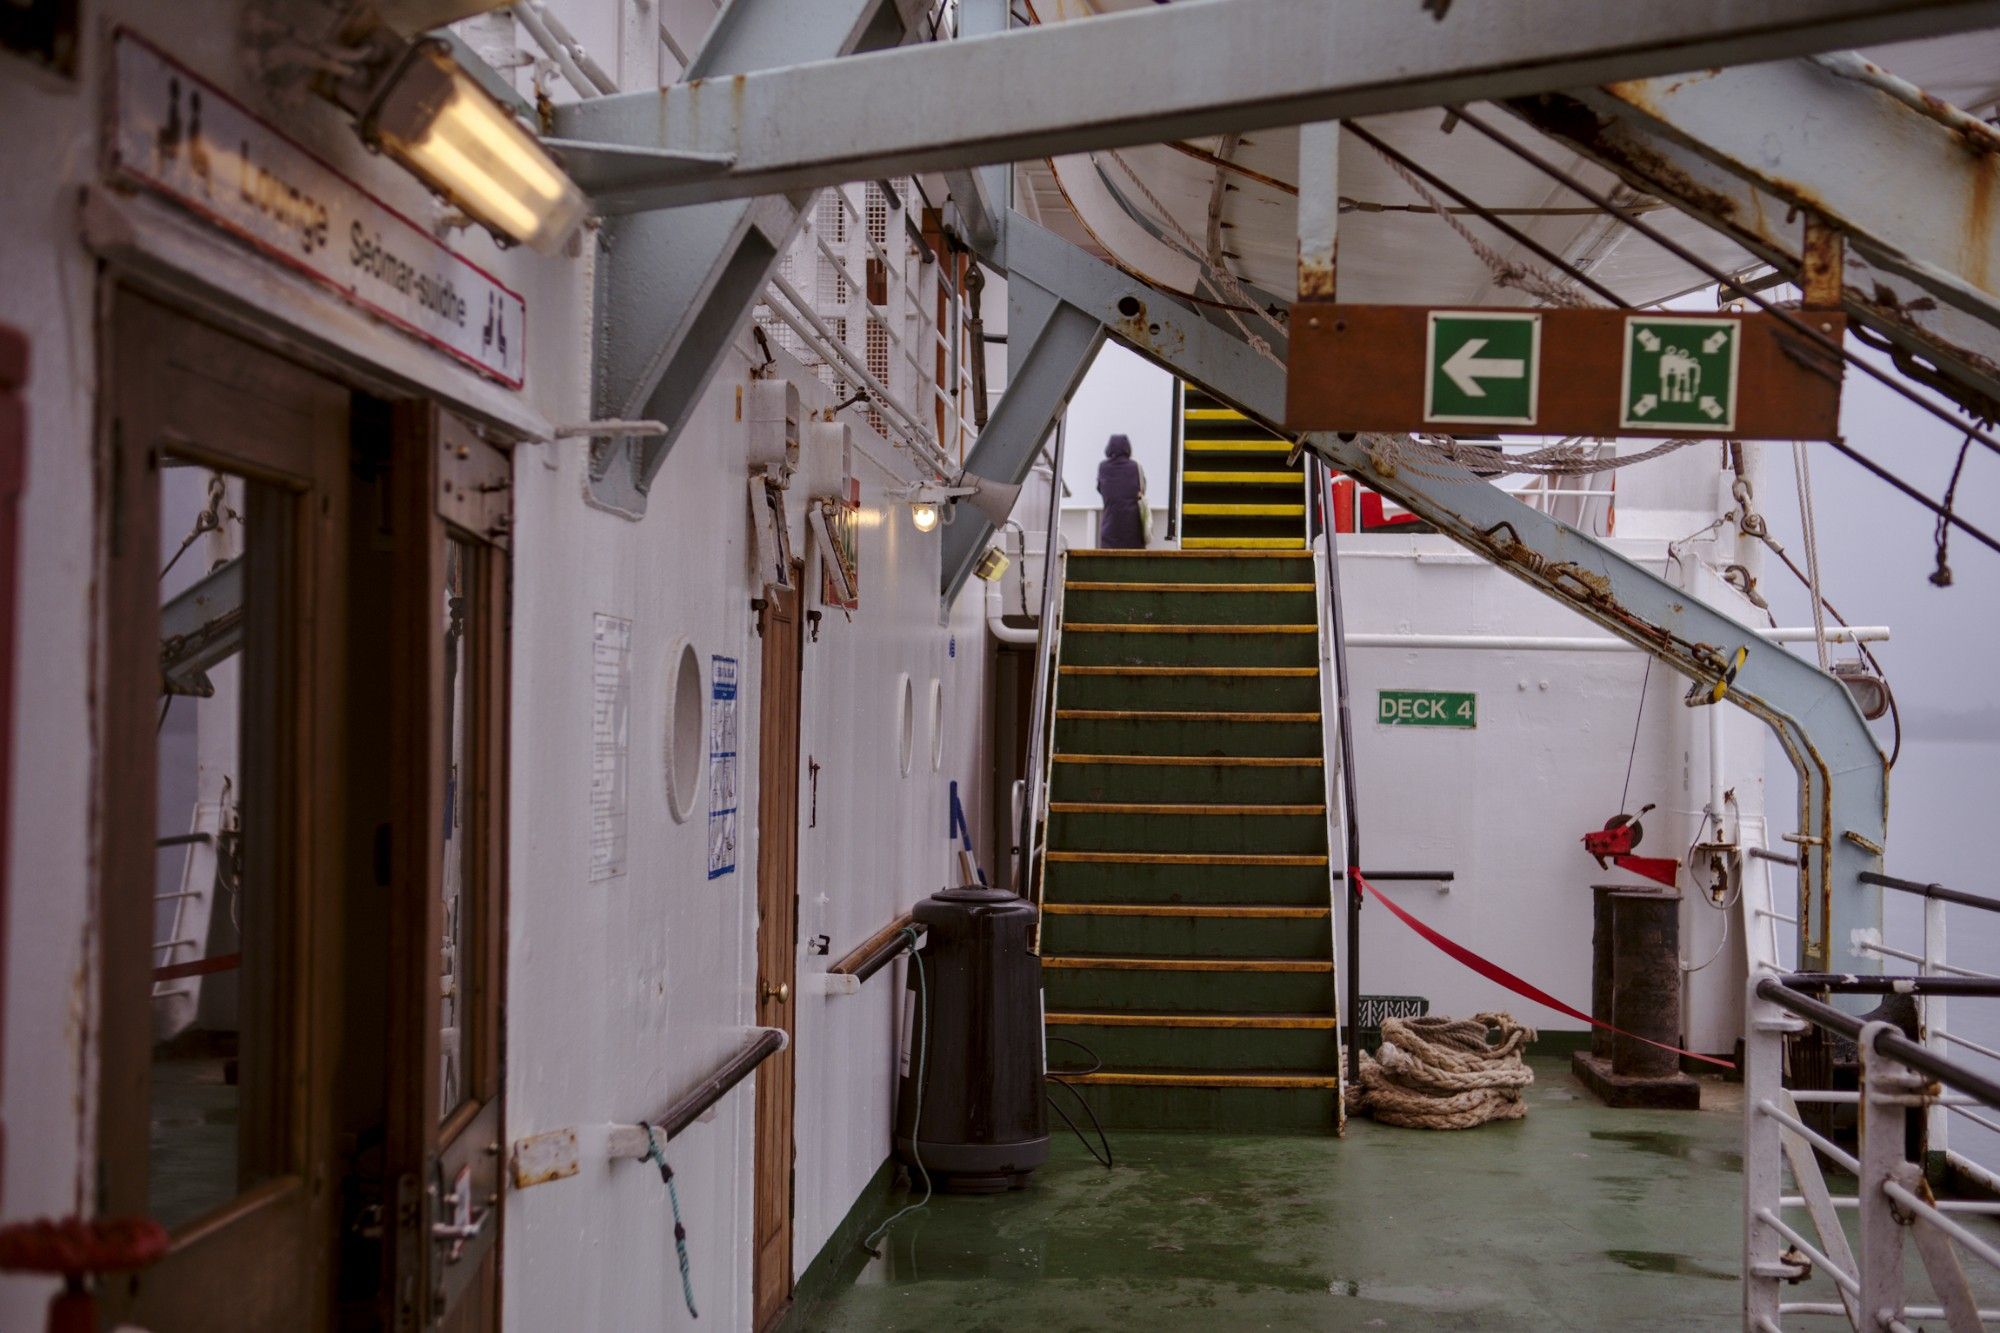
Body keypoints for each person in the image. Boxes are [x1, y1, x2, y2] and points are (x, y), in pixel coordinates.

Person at [1095, 433, 1148, 548]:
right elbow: (1143, 489)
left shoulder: (1103, 467)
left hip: (1110, 528)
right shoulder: (1136, 467)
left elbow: (1100, 488)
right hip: (1133, 529)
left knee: (1110, 561)